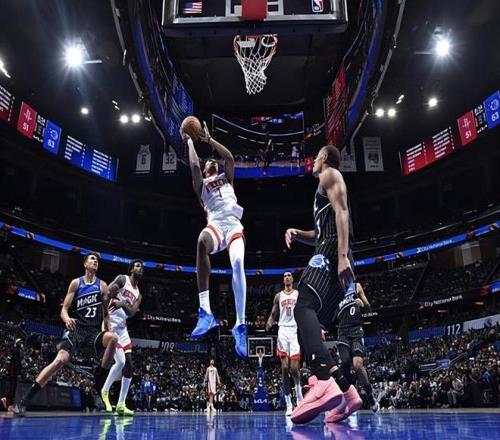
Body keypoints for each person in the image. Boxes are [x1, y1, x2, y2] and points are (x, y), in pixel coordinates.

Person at [285, 144, 359, 424]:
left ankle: (323, 380)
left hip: (332, 254)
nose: (313, 161)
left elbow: (342, 213)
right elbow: (320, 232)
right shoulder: (323, 188)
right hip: (330, 250)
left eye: (316, 156)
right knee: (310, 328)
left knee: (302, 306)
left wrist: (342, 256)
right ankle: (347, 392)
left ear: (325, 158)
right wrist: (297, 233)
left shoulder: (330, 174)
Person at [15, 253, 118, 416]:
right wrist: (67, 318)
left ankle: (97, 385)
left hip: (93, 332)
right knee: (59, 361)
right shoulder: (76, 283)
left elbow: (106, 315)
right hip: (77, 330)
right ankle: (24, 402)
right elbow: (63, 310)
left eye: (97, 260)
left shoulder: (102, 285)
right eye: (92, 259)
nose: (95, 261)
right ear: (85, 264)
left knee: (113, 338)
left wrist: (108, 329)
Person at [181, 121, 247, 358]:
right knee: (201, 241)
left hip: (233, 224)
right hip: (216, 225)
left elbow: (228, 157)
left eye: (213, 161)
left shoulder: (226, 177)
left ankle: (240, 325)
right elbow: (193, 166)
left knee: (237, 263)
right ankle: (205, 311)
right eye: (208, 161)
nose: (212, 162)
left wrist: (209, 140)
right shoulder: (201, 185)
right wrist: (189, 141)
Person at [329, 282, 379, 421]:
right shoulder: (335, 292)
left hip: (356, 330)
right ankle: (348, 396)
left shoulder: (356, 286)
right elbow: (330, 317)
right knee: (345, 363)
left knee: (357, 365)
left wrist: (363, 304)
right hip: (342, 332)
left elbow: (369, 307)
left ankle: (370, 394)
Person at [101, 260, 144, 416]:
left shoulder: (139, 294)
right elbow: (105, 295)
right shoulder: (122, 279)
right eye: (137, 266)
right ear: (131, 269)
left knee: (129, 365)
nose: (140, 269)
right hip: (111, 323)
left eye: (142, 267)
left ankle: (121, 404)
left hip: (123, 328)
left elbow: (131, 312)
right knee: (121, 362)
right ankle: (105, 391)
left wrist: (122, 304)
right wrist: (106, 317)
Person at [265, 271, 303, 416]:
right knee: (285, 368)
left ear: (292, 279)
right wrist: (269, 323)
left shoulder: (298, 294)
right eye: (284, 276)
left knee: (294, 369)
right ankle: (288, 403)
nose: (287, 277)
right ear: (283, 280)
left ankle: (299, 394)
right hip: (282, 331)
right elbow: (273, 313)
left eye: (289, 276)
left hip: (294, 331)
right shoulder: (278, 296)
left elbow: (304, 311)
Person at [1, 338, 23, 414]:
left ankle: (9, 404)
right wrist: (19, 372)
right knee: (12, 388)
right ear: (16, 343)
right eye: (19, 342)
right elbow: (16, 363)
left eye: (21, 342)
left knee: (12, 388)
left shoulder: (15, 350)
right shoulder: (15, 351)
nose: (20, 344)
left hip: (12, 372)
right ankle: (8, 402)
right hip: (13, 372)